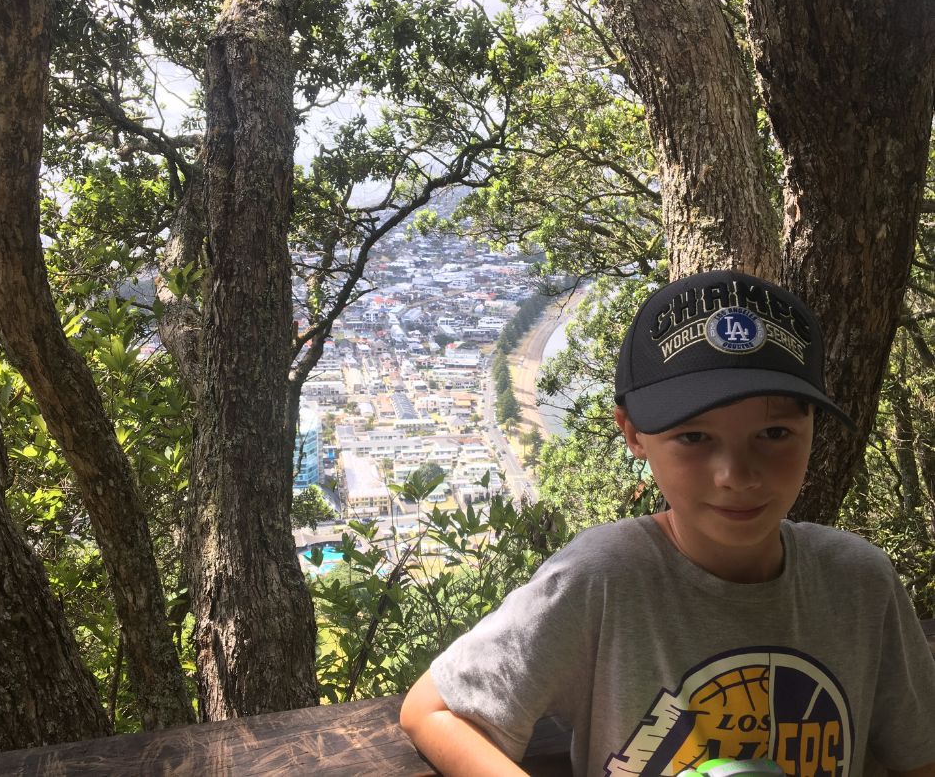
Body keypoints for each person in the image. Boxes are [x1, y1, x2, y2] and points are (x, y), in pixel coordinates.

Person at [400, 270, 935, 777]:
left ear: (812, 426)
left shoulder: (860, 583)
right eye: (694, 437)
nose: (736, 476)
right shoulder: (602, 582)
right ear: (633, 434)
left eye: (773, 433)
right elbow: (431, 710)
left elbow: (919, 755)